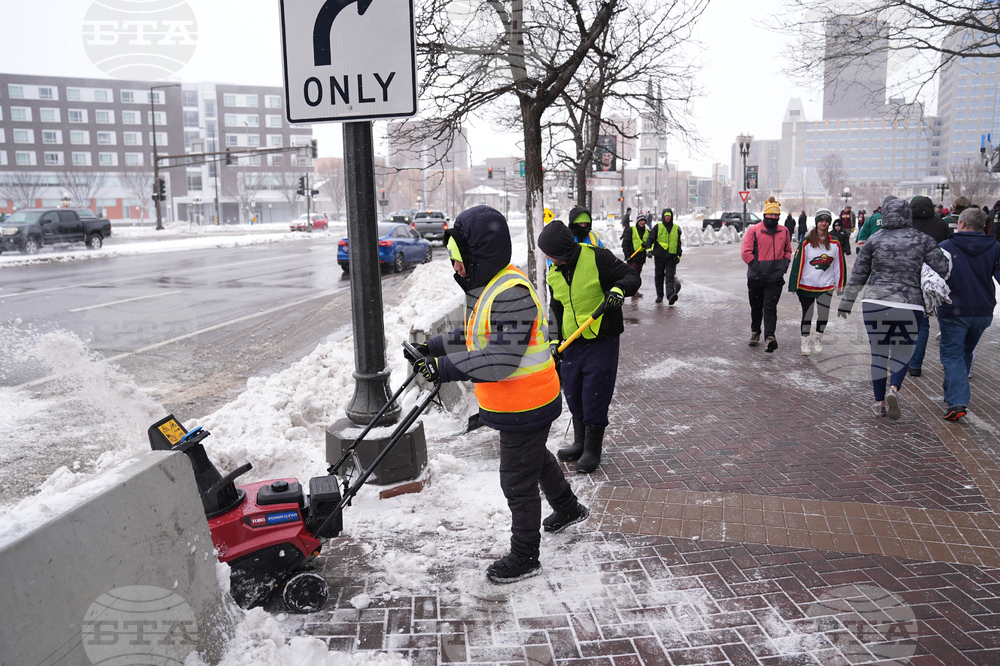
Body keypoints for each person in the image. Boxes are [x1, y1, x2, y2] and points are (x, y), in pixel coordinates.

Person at [407, 205, 588, 583]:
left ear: (479, 256)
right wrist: (434, 347)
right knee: (534, 460)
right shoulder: (494, 287)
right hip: (520, 404)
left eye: (459, 259)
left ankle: (525, 555)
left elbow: (501, 359)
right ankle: (568, 508)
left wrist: (442, 370)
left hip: (528, 403)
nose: (456, 268)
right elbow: (476, 336)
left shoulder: (511, 293)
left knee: (516, 481)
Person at [538, 219, 640, 474]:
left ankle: (593, 449)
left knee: (595, 393)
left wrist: (619, 289)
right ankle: (580, 442)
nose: (548, 257)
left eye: (550, 252)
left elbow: (631, 275)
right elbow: (556, 308)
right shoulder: (554, 272)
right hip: (571, 341)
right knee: (573, 391)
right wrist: (553, 339)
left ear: (562, 250)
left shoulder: (597, 257)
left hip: (601, 338)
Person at [838, 199, 950, 420]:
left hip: (875, 303)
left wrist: (847, 302)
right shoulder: (923, 240)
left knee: (878, 353)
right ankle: (894, 389)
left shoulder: (874, 239)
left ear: (885, 214)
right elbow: (943, 268)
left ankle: (879, 403)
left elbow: (859, 273)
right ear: (908, 215)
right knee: (902, 350)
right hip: (908, 304)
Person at [936, 207, 1000, 421]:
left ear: (961, 224)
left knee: (953, 355)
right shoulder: (995, 247)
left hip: (954, 308)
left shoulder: (946, 247)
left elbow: (932, 277)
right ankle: (951, 394)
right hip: (982, 310)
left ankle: (957, 402)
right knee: (963, 353)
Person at [788, 209, 845, 355]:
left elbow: (839, 265)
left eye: (826, 221)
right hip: (806, 285)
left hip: (825, 286)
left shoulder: (835, 243)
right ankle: (805, 341)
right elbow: (798, 263)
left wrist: (840, 285)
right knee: (808, 315)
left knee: (823, 315)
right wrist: (794, 283)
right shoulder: (806, 242)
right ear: (816, 222)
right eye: (821, 220)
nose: (824, 223)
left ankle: (818, 338)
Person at [907, 195, 951, 377]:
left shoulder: (907, 223)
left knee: (906, 318)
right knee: (924, 321)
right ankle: (916, 365)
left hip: (909, 274)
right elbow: (947, 249)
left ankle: (902, 359)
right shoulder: (941, 224)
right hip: (932, 276)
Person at [741, 197, 792, 352]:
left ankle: (770, 337)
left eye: (776, 216)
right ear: (765, 215)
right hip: (756, 278)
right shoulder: (753, 231)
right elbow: (746, 253)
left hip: (775, 279)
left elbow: (788, 251)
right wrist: (758, 268)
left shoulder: (784, 231)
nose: (774, 218)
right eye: (771, 215)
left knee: (770, 307)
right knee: (756, 307)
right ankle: (755, 331)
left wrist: (783, 266)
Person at [650, 208, 682, 304]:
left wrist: (678, 256)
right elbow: (650, 239)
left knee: (670, 277)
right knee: (659, 277)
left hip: (671, 258)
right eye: (666, 216)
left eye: (669, 216)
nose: (667, 218)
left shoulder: (676, 228)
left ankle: (670, 295)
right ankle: (659, 295)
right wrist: (648, 250)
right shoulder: (657, 227)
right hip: (659, 257)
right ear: (663, 217)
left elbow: (678, 244)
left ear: (671, 217)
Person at [621, 213, 650, 296]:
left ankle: (634, 291)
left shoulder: (647, 232)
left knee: (637, 275)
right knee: (631, 275)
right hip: (632, 257)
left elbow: (650, 242)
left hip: (641, 257)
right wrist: (627, 255)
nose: (643, 222)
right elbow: (625, 243)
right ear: (638, 221)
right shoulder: (631, 230)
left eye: (644, 220)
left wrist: (647, 245)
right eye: (641, 220)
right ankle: (627, 289)